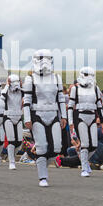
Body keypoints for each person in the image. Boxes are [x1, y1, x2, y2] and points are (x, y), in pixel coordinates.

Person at [23, 49, 67, 187]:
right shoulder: (30, 79)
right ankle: (43, 177)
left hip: (53, 114)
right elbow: (27, 100)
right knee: (41, 147)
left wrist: (63, 116)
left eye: (48, 58)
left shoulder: (56, 78)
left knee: (57, 147)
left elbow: (60, 98)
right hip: (37, 114)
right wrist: (27, 118)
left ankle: (40, 163)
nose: (45, 62)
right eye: (42, 58)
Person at [68, 67, 103, 177]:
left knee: (93, 145)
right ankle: (84, 167)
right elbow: (70, 106)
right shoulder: (76, 89)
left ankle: (83, 161)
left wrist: (102, 121)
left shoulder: (95, 88)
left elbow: (99, 106)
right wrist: (70, 122)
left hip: (92, 116)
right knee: (85, 144)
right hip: (80, 116)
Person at [1, 74, 24, 170]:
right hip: (8, 117)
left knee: (19, 141)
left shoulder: (21, 92)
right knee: (11, 140)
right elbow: (2, 96)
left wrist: (22, 86)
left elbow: (29, 95)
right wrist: (7, 85)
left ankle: (12, 156)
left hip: (18, 117)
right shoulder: (6, 91)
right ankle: (12, 161)